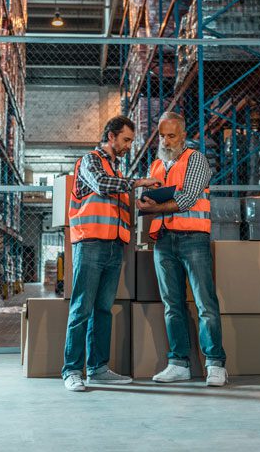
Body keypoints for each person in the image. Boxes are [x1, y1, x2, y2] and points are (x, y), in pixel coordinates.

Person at [62, 115, 161, 391]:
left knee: (103, 310)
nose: (129, 145)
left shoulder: (117, 171)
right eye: (126, 140)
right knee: (81, 308)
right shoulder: (90, 161)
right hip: (91, 244)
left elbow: (117, 197)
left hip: (115, 246)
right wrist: (138, 182)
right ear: (111, 137)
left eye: (131, 140)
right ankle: (71, 370)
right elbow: (102, 186)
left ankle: (98, 368)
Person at [136, 111, 227, 387]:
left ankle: (215, 364)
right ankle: (178, 363)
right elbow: (148, 200)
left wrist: (155, 206)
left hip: (192, 239)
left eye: (171, 135)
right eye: (162, 135)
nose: (165, 140)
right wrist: (143, 204)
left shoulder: (195, 159)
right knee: (172, 305)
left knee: (205, 303)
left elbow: (187, 198)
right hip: (164, 240)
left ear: (183, 136)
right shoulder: (155, 166)